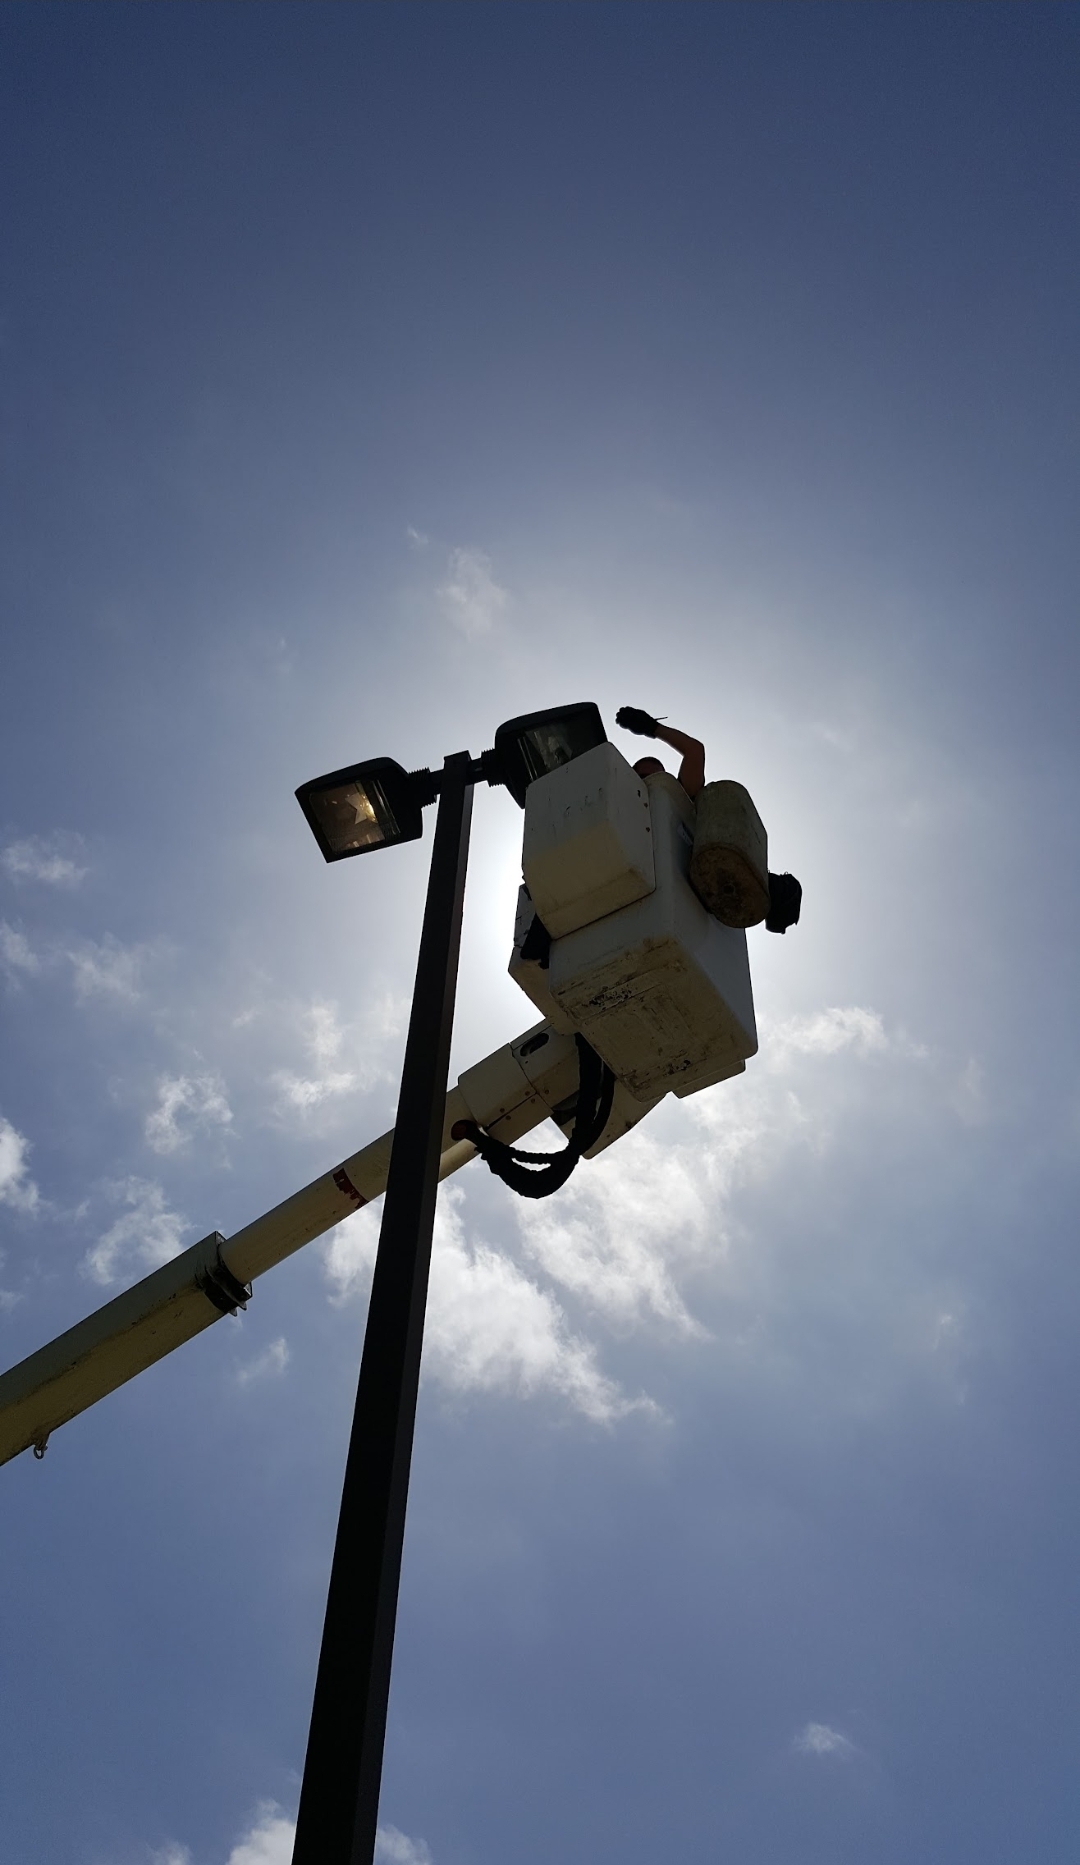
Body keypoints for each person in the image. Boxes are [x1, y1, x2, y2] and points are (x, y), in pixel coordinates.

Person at [615, 706, 706, 800]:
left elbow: (694, 749)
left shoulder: (677, 800)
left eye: (659, 777)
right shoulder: (617, 801)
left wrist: (652, 727)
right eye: (643, 777)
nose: (651, 781)